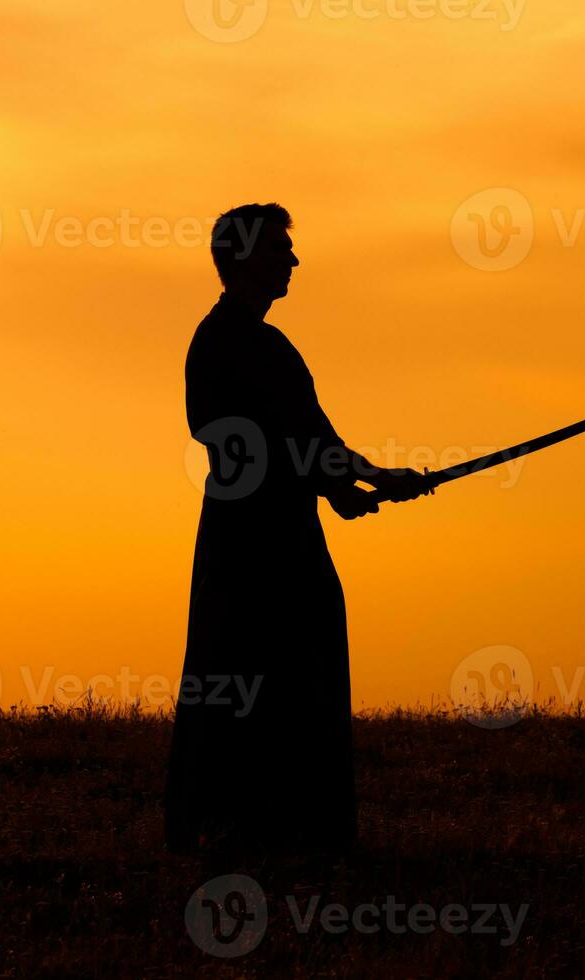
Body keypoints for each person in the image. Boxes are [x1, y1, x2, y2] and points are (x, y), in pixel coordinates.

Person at [164, 202, 431, 858]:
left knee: (258, 668)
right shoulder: (240, 344)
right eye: (281, 249)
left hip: (255, 531)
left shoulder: (242, 341)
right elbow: (285, 440)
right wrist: (365, 477)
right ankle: (267, 826)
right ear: (247, 257)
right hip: (261, 539)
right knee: (273, 668)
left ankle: (263, 824)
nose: (293, 260)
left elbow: (305, 437)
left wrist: (346, 484)